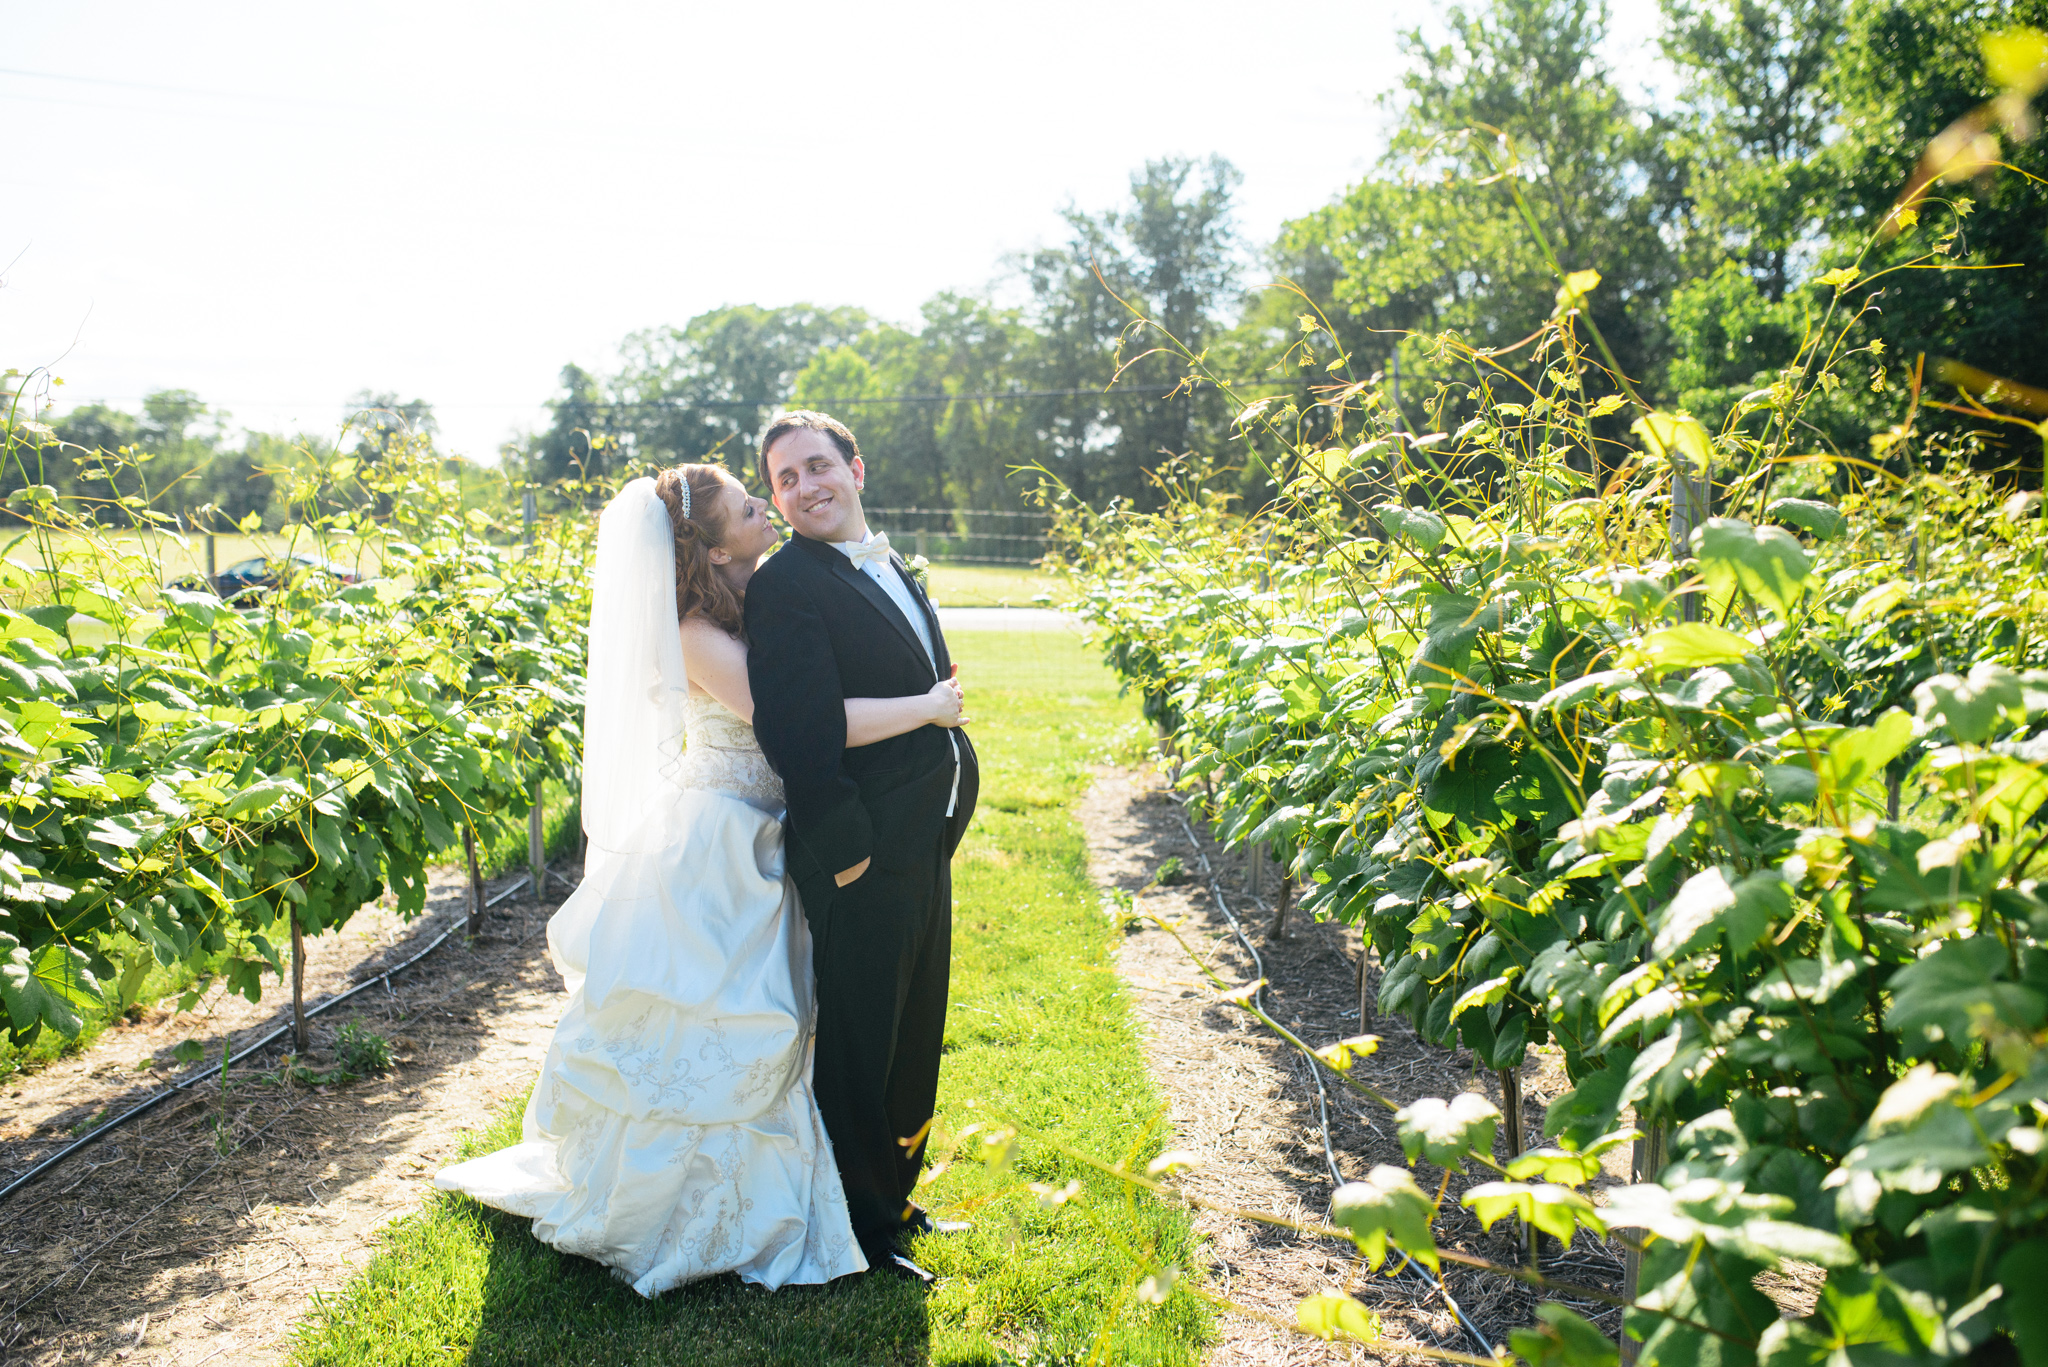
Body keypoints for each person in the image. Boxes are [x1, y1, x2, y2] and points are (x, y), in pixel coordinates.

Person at [434, 463, 966, 1295]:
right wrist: (927, 706)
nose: (771, 509)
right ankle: (703, 1204)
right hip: (721, 840)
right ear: (716, 551)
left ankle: (839, 1184)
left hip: (776, 829)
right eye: (753, 506)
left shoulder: (764, 599)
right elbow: (801, 721)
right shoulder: (693, 633)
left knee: (796, 1015)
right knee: (722, 1024)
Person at [743, 411, 980, 1284]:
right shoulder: (785, 585)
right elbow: (800, 735)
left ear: (857, 469)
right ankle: (859, 1230)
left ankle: (895, 1197)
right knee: (859, 1043)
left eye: (816, 467)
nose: (804, 489)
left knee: (915, 1031)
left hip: (922, 842)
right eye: (784, 480)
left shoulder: (890, 564)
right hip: (864, 852)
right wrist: (849, 855)